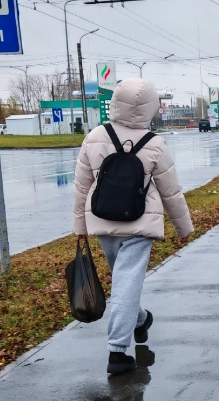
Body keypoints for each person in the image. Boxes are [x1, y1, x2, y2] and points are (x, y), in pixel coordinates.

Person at [73, 78, 193, 374]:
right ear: (151, 108)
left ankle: (139, 321)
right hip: (139, 222)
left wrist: (80, 225)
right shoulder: (155, 144)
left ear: (115, 103)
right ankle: (117, 352)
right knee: (126, 283)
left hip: (102, 220)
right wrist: (183, 229)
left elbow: (81, 186)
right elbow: (170, 191)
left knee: (124, 282)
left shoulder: (95, 136)